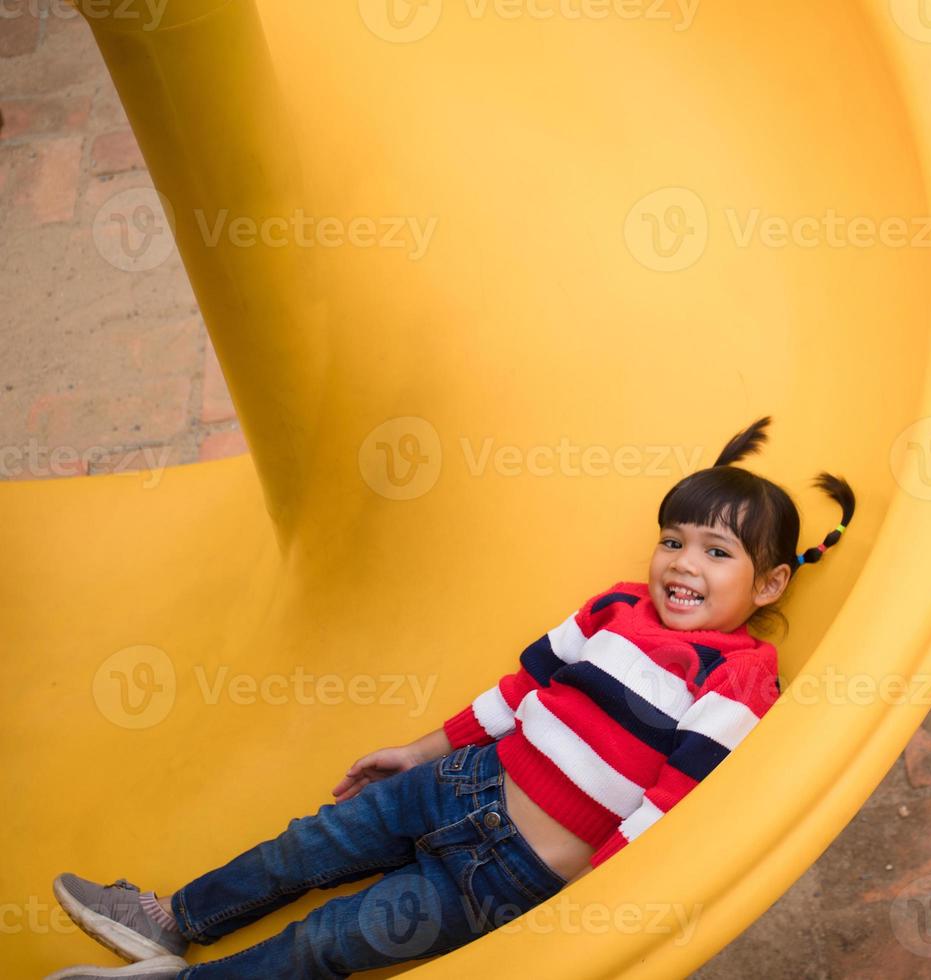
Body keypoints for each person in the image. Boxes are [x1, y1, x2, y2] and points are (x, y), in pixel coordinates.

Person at [46, 416, 856, 979]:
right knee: (308, 845)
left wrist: (595, 897)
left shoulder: (739, 675)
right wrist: (422, 750)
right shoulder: (615, 608)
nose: (683, 564)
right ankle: (172, 919)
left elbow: (674, 799)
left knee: (328, 944)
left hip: (511, 875)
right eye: (673, 540)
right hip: (459, 780)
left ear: (771, 581)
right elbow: (519, 690)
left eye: (717, 552)